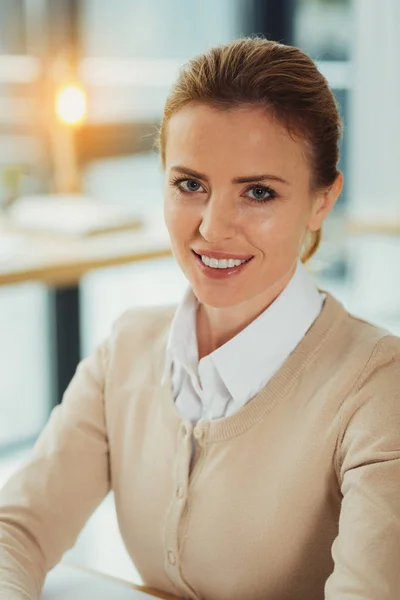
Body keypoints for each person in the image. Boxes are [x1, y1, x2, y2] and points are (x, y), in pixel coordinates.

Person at [1, 36, 400, 600]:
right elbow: (18, 529)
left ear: (321, 200)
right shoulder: (128, 348)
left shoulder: (379, 388)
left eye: (258, 192)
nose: (213, 227)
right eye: (190, 185)